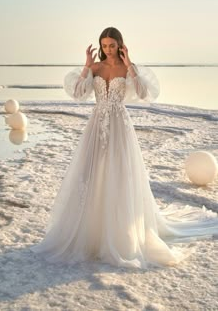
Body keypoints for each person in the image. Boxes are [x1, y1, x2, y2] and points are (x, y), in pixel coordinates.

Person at [31, 27, 218, 269]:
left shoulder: (128, 68)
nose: (107, 49)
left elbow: (144, 93)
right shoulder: (96, 68)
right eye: (104, 45)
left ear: (120, 45)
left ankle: (120, 232)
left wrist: (129, 64)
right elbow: (78, 94)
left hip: (120, 126)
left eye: (112, 45)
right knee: (93, 173)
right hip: (97, 125)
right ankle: (92, 232)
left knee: (119, 173)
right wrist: (87, 65)